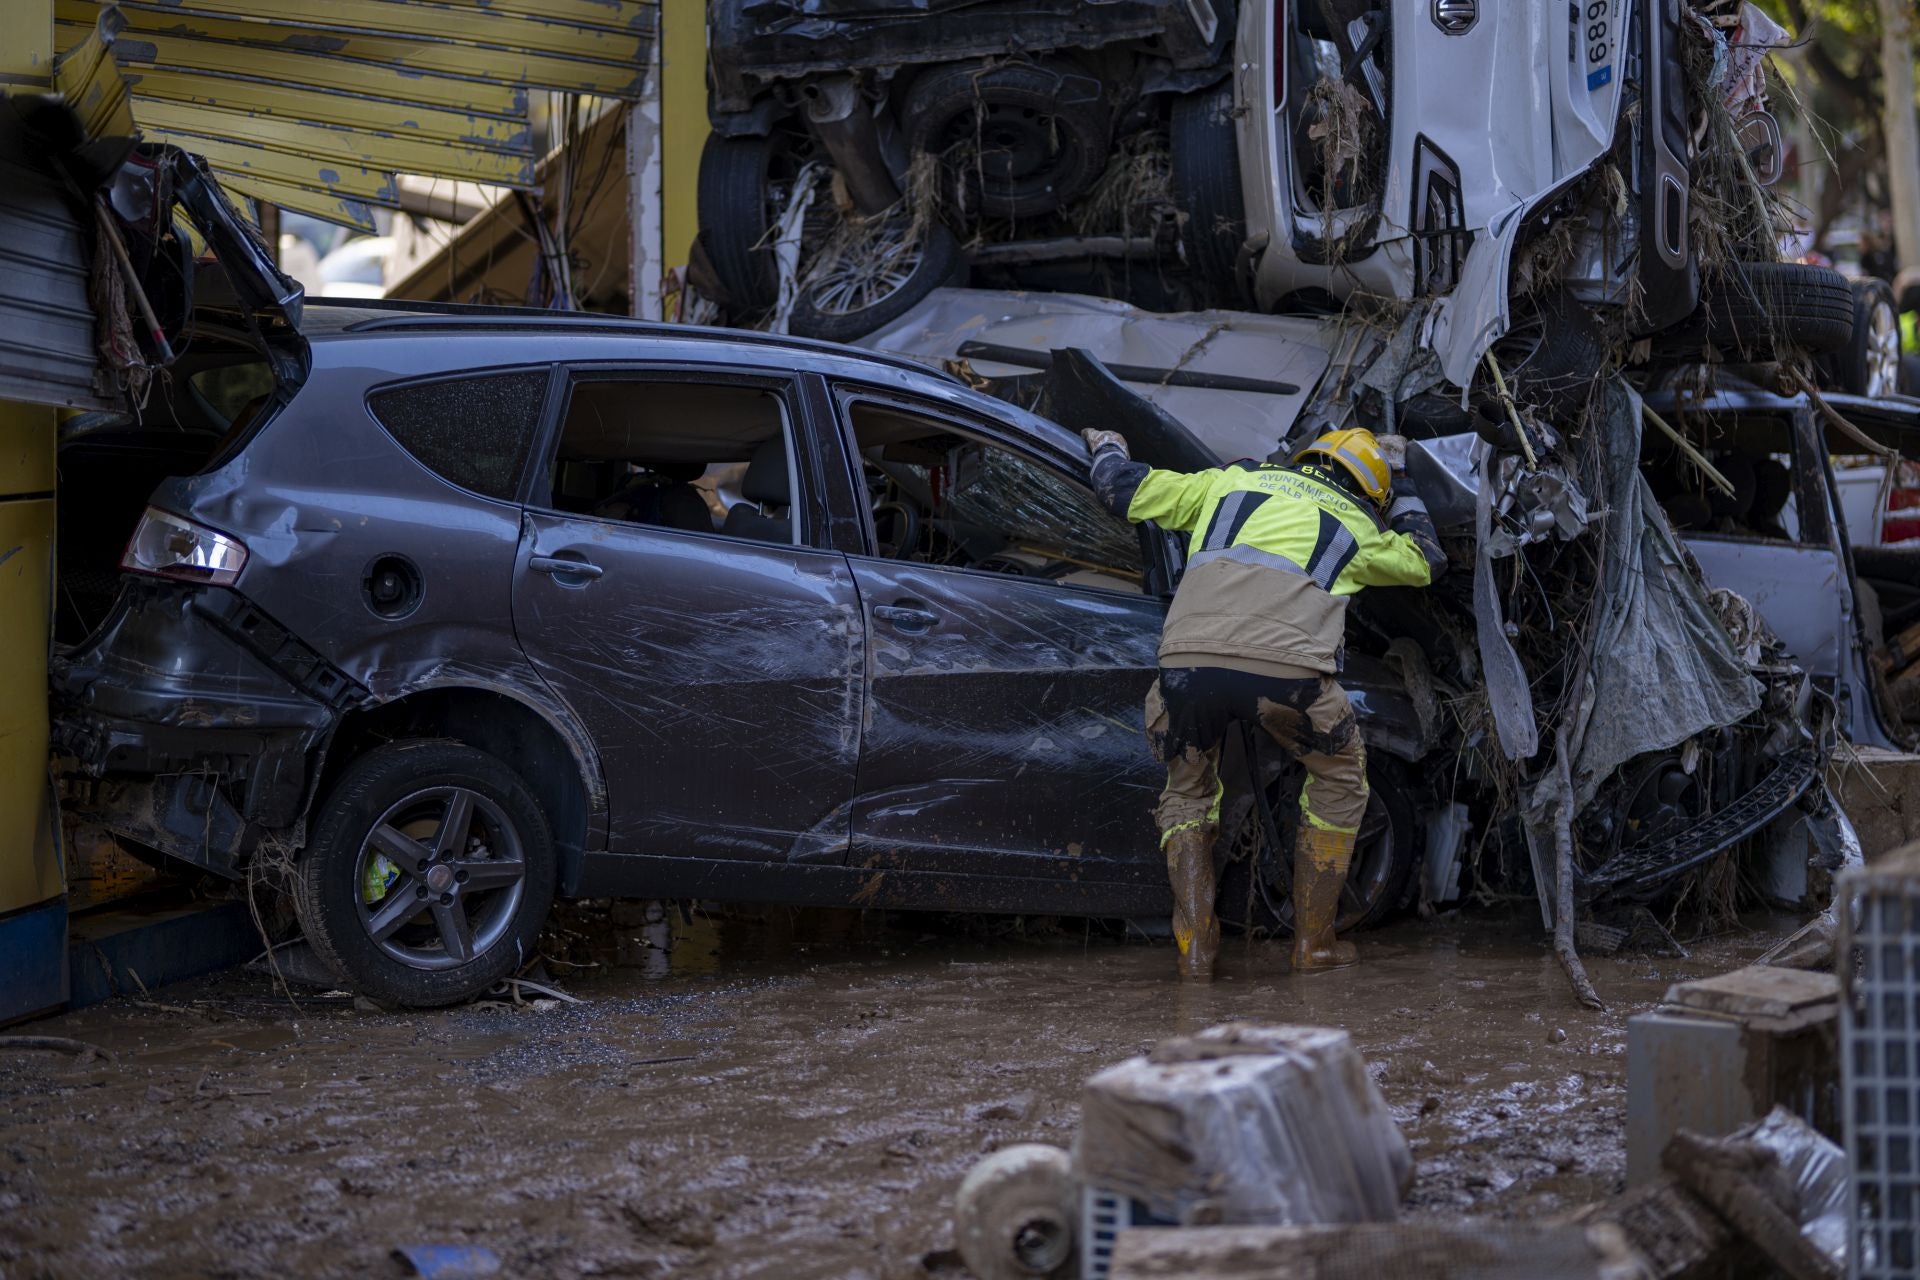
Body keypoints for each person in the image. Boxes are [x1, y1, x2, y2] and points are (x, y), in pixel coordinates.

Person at [1083, 428, 1447, 981]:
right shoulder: (1355, 521)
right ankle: (1314, 947)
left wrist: (1109, 444)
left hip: (1186, 666)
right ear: (1368, 492)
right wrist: (1403, 481)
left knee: (1186, 795)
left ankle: (1198, 953)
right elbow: (1426, 561)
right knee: (1341, 781)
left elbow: (1118, 491)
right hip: (1287, 679)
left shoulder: (1229, 482)